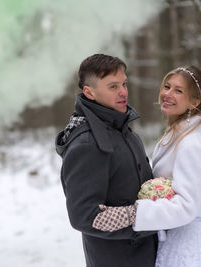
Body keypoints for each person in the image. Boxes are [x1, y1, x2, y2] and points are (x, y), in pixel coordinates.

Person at [92, 66, 201, 266]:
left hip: (190, 246)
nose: (167, 94)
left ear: (195, 102)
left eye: (178, 91)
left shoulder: (191, 144)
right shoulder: (176, 137)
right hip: (177, 235)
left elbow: (187, 206)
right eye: (167, 86)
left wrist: (133, 214)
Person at [55, 54, 157, 267]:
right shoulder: (87, 144)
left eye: (124, 84)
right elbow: (85, 215)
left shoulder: (125, 132)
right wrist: (143, 215)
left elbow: (142, 186)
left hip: (148, 255)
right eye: (113, 86)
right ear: (89, 92)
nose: (123, 92)